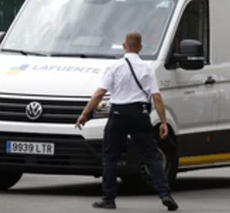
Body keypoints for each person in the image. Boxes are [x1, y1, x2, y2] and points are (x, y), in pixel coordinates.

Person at [76, 32, 178, 211]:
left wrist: (85, 114)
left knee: (110, 157)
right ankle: (165, 194)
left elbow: (100, 93)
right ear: (140, 47)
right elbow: (157, 97)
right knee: (151, 156)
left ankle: (108, 198)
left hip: (118, 114)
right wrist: (163, 122)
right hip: (140, 114)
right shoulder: (147, 68)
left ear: (124, 46)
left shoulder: (115, 67)